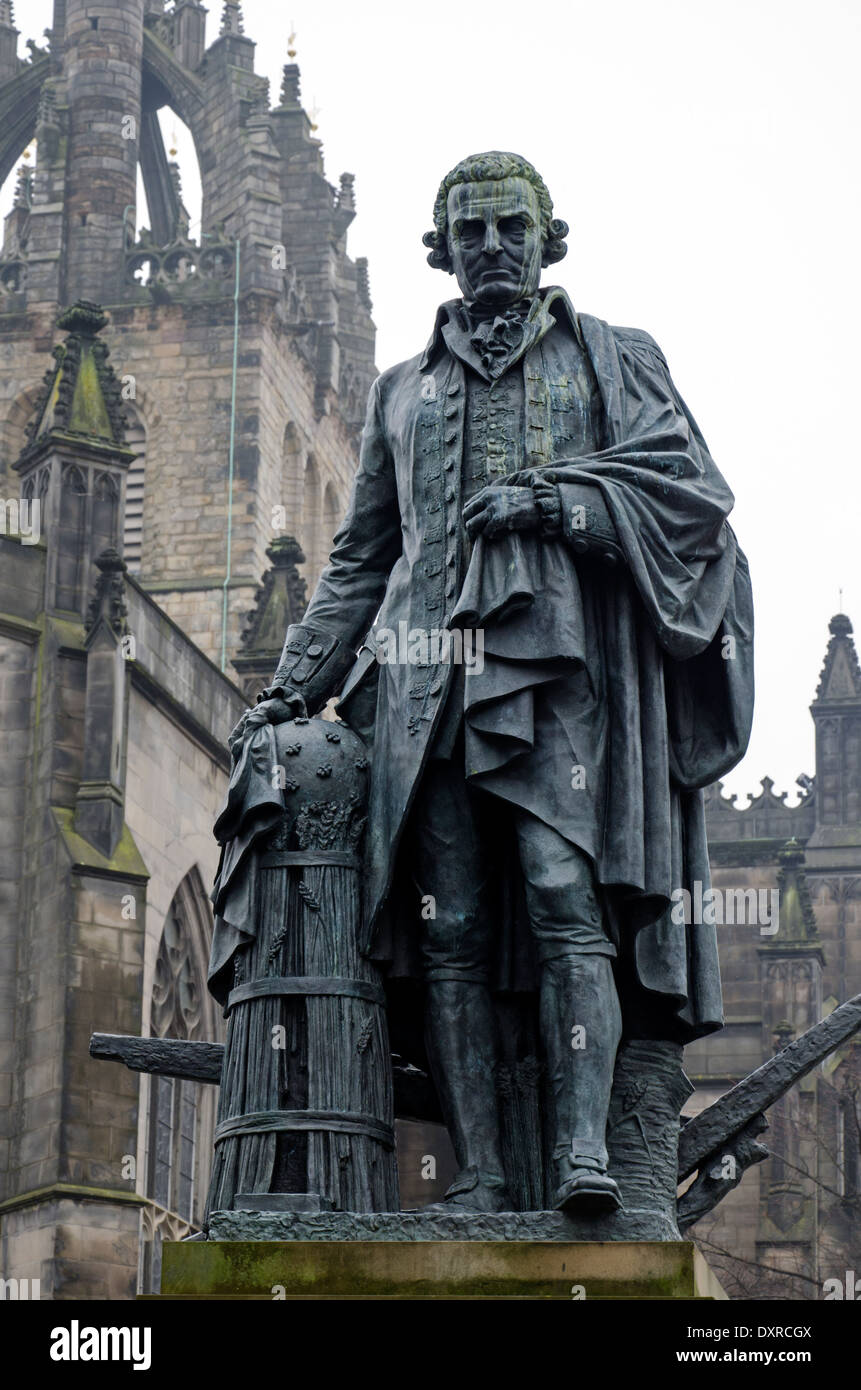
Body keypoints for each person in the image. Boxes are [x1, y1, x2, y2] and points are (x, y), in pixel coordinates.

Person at [231, 151, 754, 1214]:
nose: (491, 248)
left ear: (546, 235)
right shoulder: (397, 394)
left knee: (567, 899)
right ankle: (476, 1175)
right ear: (443, 249)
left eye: (511, 226)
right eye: (469, 231)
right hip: (423, 688)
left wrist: (558, 503)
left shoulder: (614, 358)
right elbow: (360, 560)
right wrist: (294, 685)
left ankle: (581, 1155)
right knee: (451, 926)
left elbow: (690, 496)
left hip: (561, 680)